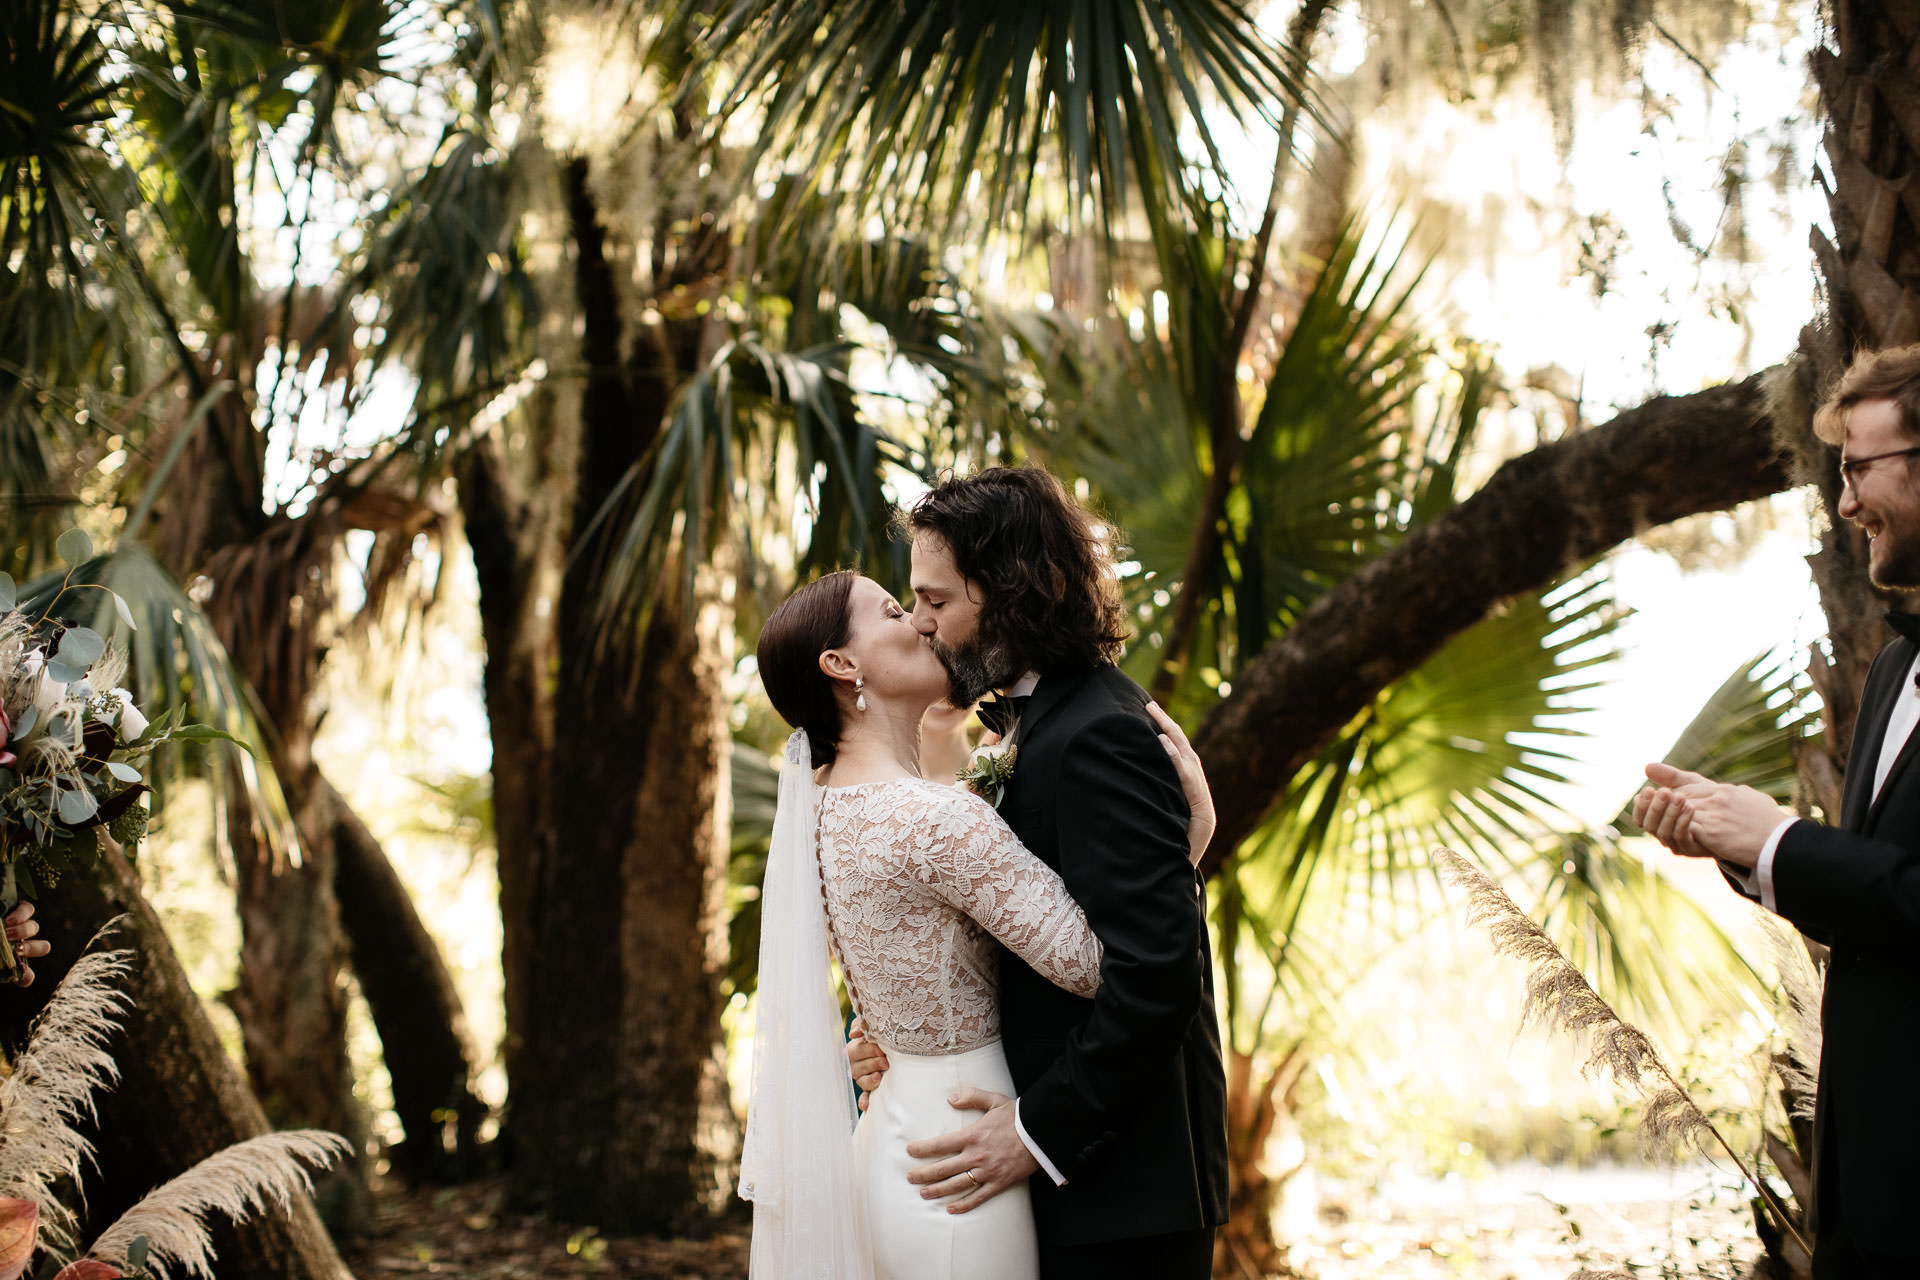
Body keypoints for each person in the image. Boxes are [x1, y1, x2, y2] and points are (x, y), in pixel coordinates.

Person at [740, 568, 1214, 1280]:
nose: (922, 623)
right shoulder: (939, 819)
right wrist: (1185, 846)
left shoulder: (818, 811)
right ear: (842, 665)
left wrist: (876, 1034)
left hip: (889, 1139)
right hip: (962, 1159)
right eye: (897, 610)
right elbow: (1100, 966)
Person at [851, 466, 1229, 1280]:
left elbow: (1155, 974)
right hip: (1080, 1183)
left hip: (1124, 1191)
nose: (920, 624)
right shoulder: (1038, 723)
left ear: (1015, 590)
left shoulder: (1100, 734)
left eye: (936, 601)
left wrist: (1032, 1130)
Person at [1634, 343, 1920, 1279]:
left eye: (1857, 469)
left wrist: (1785, 841)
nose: (1844, 505)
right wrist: (1746, 846)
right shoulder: (1891, 668)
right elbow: (1882, 898)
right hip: (1868, 1193)